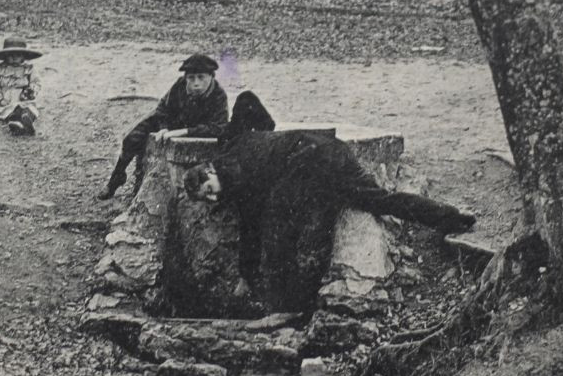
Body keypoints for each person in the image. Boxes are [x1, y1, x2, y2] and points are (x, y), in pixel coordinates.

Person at [182, 129, 475, 311]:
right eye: (206, 199)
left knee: (280, 231)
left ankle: (291, 307)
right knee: (381, 200)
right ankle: (451, 217)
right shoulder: (232, 148)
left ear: (210, 171)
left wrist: (247, 275)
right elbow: (249, 104)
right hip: (330, 151)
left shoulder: (238, 177)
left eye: (209, 191)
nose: (213, 199)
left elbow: (251, 225)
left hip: (313, 165)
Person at [98, 52, 228, 200]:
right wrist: (164, 127)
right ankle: (117, 177)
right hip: (172, 122)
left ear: (211, 77)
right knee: (131, 138)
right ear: (186, 78)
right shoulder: (179, 86)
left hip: (195, 127)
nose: (196, 83)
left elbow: (220, 127)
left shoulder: (219, 95)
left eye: (201, 77)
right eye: (191, 78)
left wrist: (184, 132)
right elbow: (163, 109)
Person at [0, 37, 43, 137]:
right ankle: (15, 123)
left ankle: (27, 120)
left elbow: (36, 82)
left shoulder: (29, 69)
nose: (15, 58)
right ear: (5, 56)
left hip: (23, 98)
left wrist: (31, 91)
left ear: (23, 56)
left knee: (29, 109)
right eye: (11, 55)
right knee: (8, 112)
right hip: (6, 100)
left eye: (18, 55)